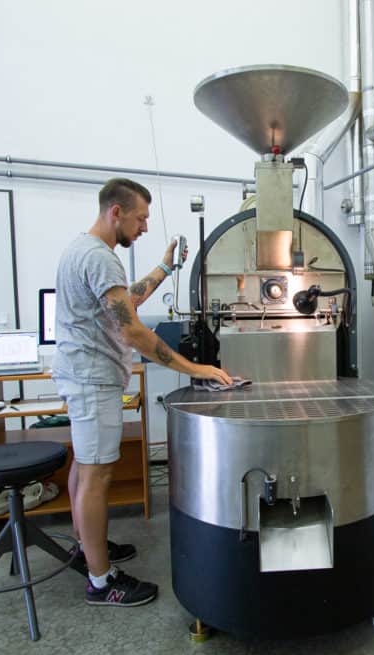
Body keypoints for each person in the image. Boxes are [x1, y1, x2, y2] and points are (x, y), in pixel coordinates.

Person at [52, 177, 231, 607]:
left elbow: (125, 302)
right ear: (116, 212)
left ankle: (87, 547)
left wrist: (165, 268)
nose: (145, 227)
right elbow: (131, 329)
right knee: (97, 476)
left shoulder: (85, 250)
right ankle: (101, 582)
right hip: (92, 380)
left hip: (84, 376)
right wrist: (196, 368)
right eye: (141, 218)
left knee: (85, 467)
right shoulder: (100, 258)